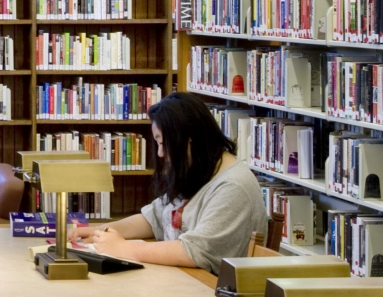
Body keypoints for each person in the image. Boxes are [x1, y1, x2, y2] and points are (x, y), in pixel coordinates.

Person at [69, 91, 265, 272]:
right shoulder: (200, 168)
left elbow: (196, 251)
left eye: (163, 143)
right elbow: (154, 218)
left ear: (188, 140)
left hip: (210, 292)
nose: (161, 153)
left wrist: (123, 248)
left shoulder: (233, 187)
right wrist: (99, 232)